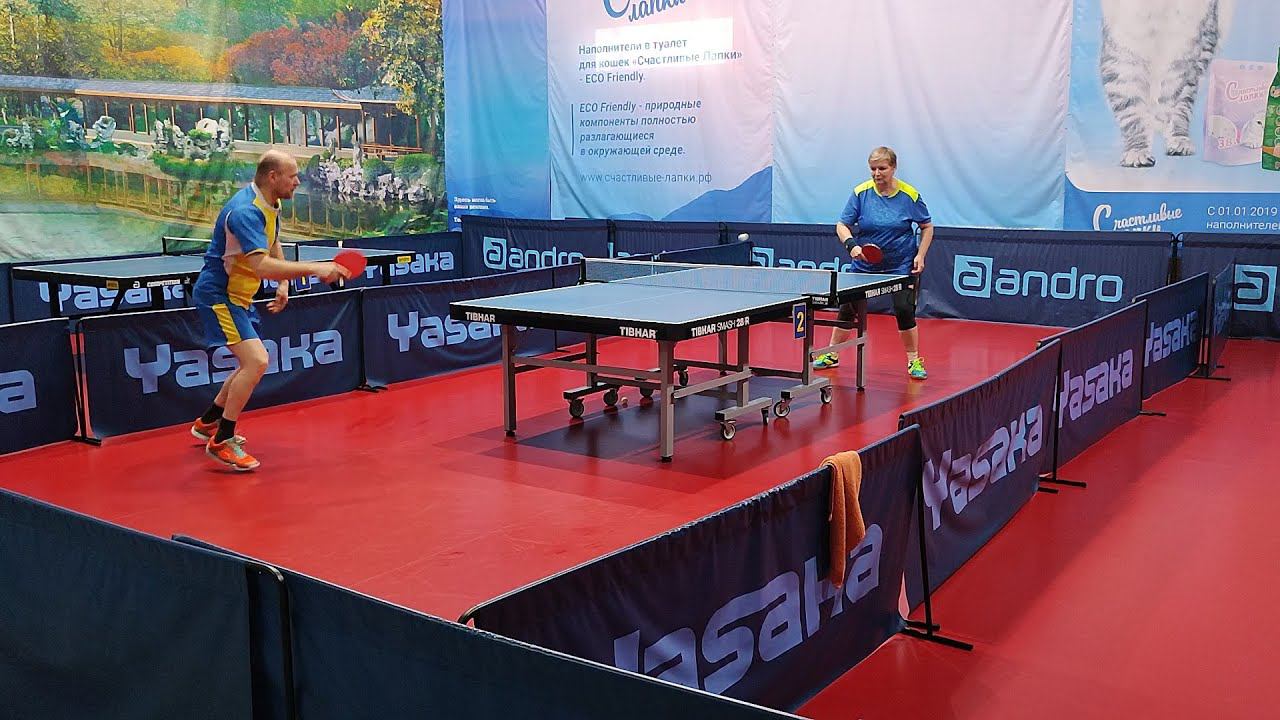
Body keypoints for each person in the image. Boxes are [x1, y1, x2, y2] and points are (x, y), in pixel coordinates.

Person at [189, 150, 349, 471]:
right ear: (273, 177)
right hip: (219, 295)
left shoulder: (270, 203)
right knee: (256, 361)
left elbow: (272, 240)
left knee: (249, 363)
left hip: (240, 296)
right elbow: (261, 266)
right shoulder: (245, 212)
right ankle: (222, 440)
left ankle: (208, 421)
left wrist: (284, 283)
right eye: (293, 176)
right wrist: (317, 268)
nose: (298, 181)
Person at [812, 146, 934, 379]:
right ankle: (832, 353)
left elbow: (927, 227)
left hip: (901, 264)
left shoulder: (910, 195)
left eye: (882, 168)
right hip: (865, 265)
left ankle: (914, 360)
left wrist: (920, 255)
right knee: (848, 308)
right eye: (873, 169)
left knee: (904, 310)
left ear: (893, 168)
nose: (877, 173)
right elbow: (842, 225)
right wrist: (852, 245)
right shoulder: (861, 193)